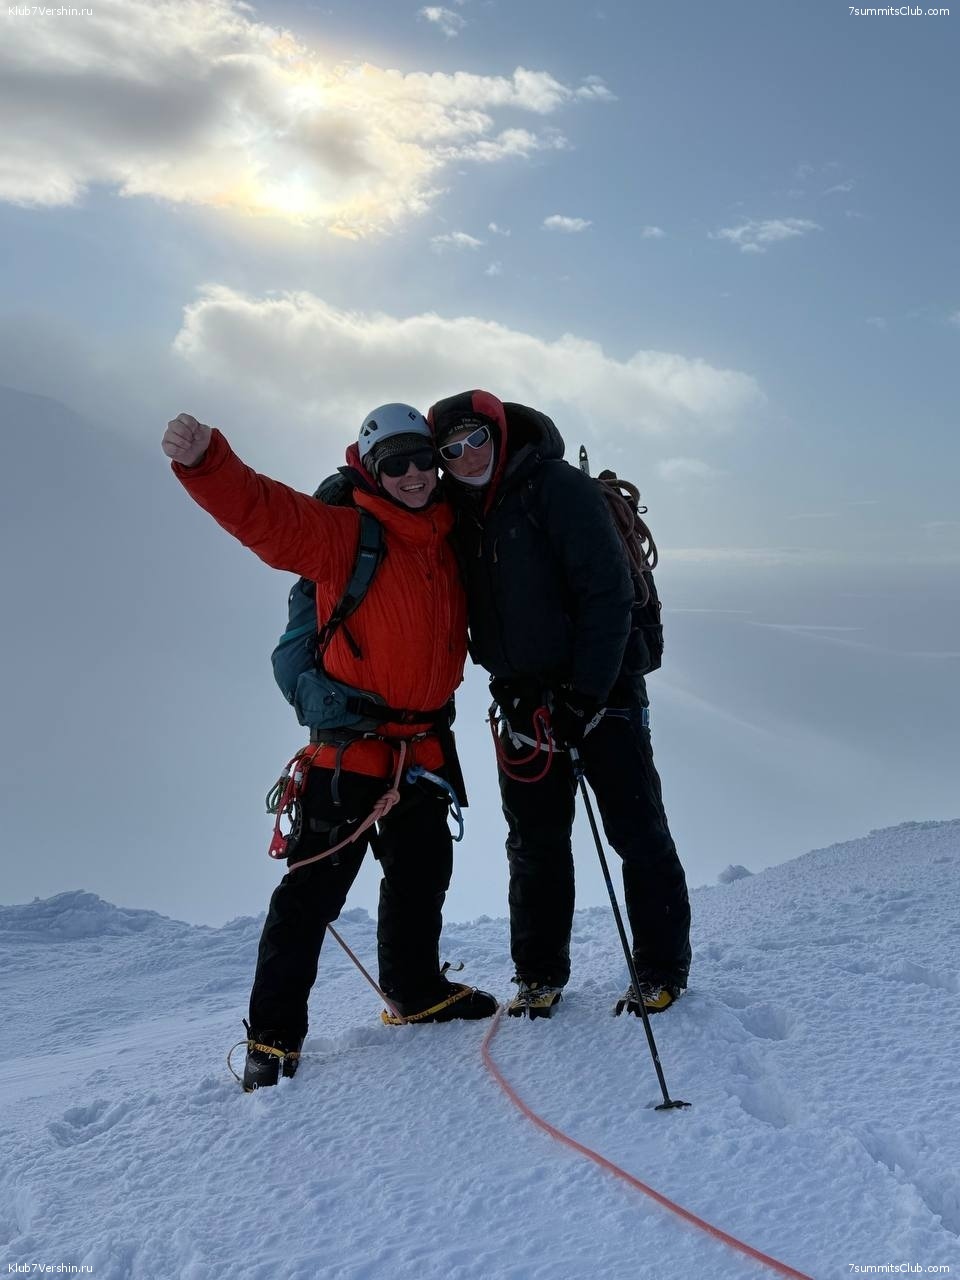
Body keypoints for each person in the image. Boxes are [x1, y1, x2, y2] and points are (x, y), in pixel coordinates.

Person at [162, 405, 496, 1090]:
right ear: (371, 471)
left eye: (422, 459)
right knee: (310, 896)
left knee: (422, 875)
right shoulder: (345, 535)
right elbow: (267, 514)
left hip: (424, 749)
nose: (412, 474)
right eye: (395, 464)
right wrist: (207, 463)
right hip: (351, 754)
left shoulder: (449, 535)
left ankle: (415, 992)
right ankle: (272, 1040)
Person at [427, 390, 691, 1018]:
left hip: (603, 694)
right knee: (535, 843)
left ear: (498, 433)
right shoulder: (457, 510)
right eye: (451, 450)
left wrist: (584, 696)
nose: (467, 457)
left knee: (635, 831)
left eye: (476, 440)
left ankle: (660, 970)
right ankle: (538, 975)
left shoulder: (558, 489)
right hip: (522, 700)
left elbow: (609, 594)